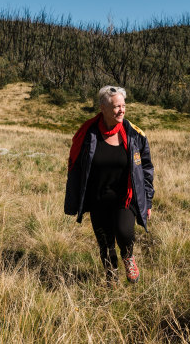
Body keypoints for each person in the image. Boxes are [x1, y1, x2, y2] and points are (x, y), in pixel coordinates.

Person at [64, 86, 154, 285]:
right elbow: (76, 168)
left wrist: (147, 200)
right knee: (105, 244)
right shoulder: (88, 134)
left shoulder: (134, 135)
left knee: (125, 233)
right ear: (102, 108)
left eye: (123, 106)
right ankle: (111, 278)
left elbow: (146, 169)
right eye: (116, 107)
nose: (121, 110)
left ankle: (128, 257)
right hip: (98, 198)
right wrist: (75, 198)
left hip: (125, 197)